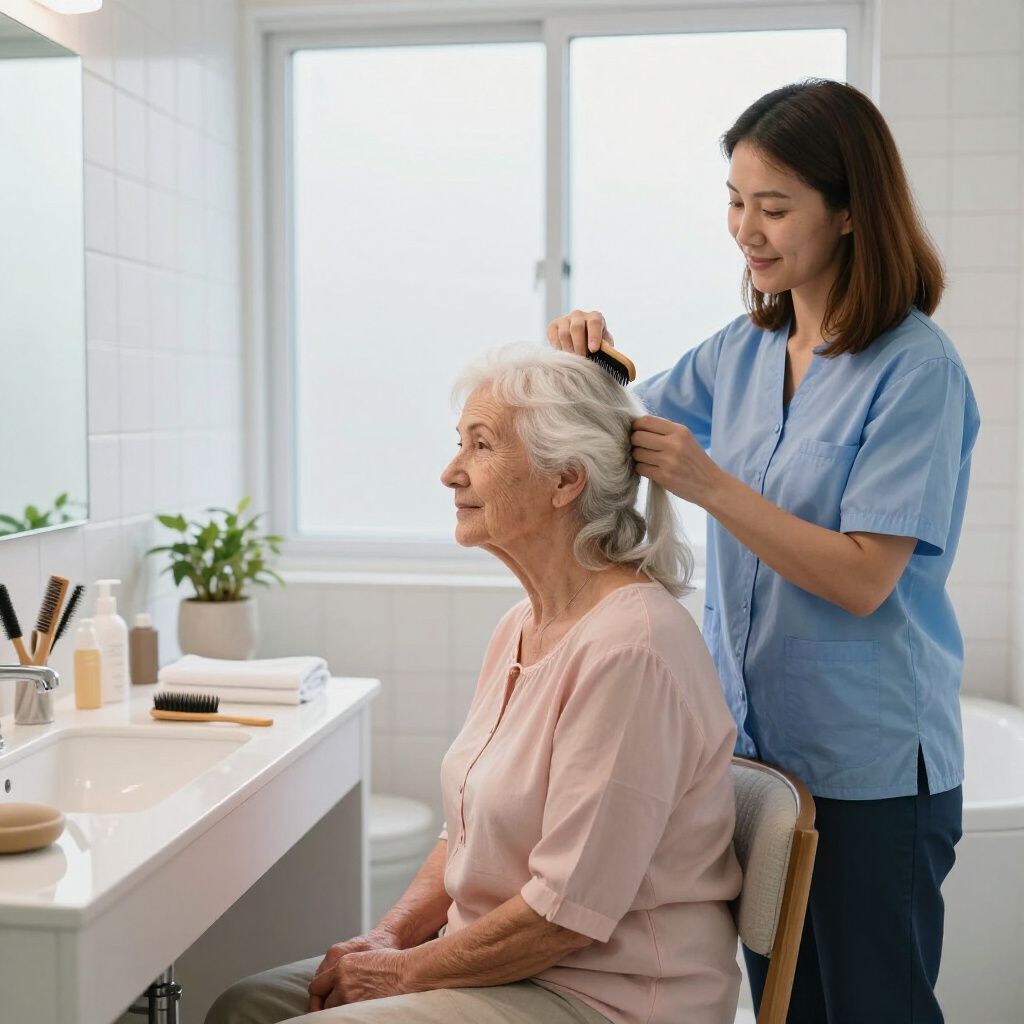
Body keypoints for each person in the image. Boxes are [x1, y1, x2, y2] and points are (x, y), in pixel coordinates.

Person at [549, 79, 980, 1024]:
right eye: (736, 201)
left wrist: (710, 487)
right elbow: (615, 428)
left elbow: (866, 577)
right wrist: (584, 359)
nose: (747, 228)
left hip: (868, 771)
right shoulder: (742, 351)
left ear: (853, 212)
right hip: (756, 761)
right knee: (787, 1008)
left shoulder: (916, 370)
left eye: (775, 207)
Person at [206, 346, 743, 1024]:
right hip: (504, 967)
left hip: (603, 994)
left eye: (481, 446)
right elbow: (462, 834)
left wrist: (402, 973)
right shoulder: (521, 626)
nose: (450, 472)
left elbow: (565, 913)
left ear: (565, 480)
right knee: (245, 1006)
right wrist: (390, 935)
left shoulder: (631, 648)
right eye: (459, 443)